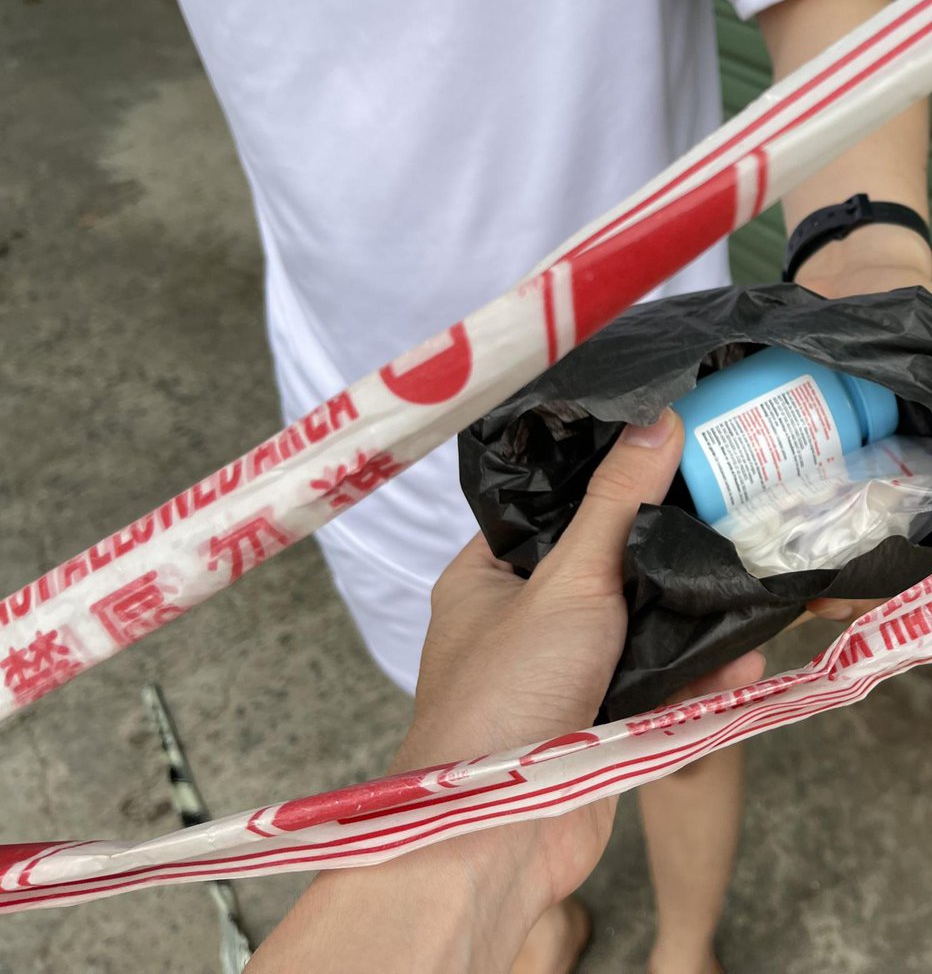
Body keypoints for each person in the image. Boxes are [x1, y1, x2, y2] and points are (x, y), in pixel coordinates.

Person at [1, 0, 932, 969]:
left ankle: (685, 949)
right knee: (458, 736)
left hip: (655, 388)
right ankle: (529, 920)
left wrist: (862, 253)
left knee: (688, 725)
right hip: (355, 394)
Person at [251, 410, 770, 972]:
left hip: (632, 412)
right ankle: (528, 919)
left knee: (682, 736)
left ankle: (682, 952)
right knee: (457, 707)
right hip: (387, 476)